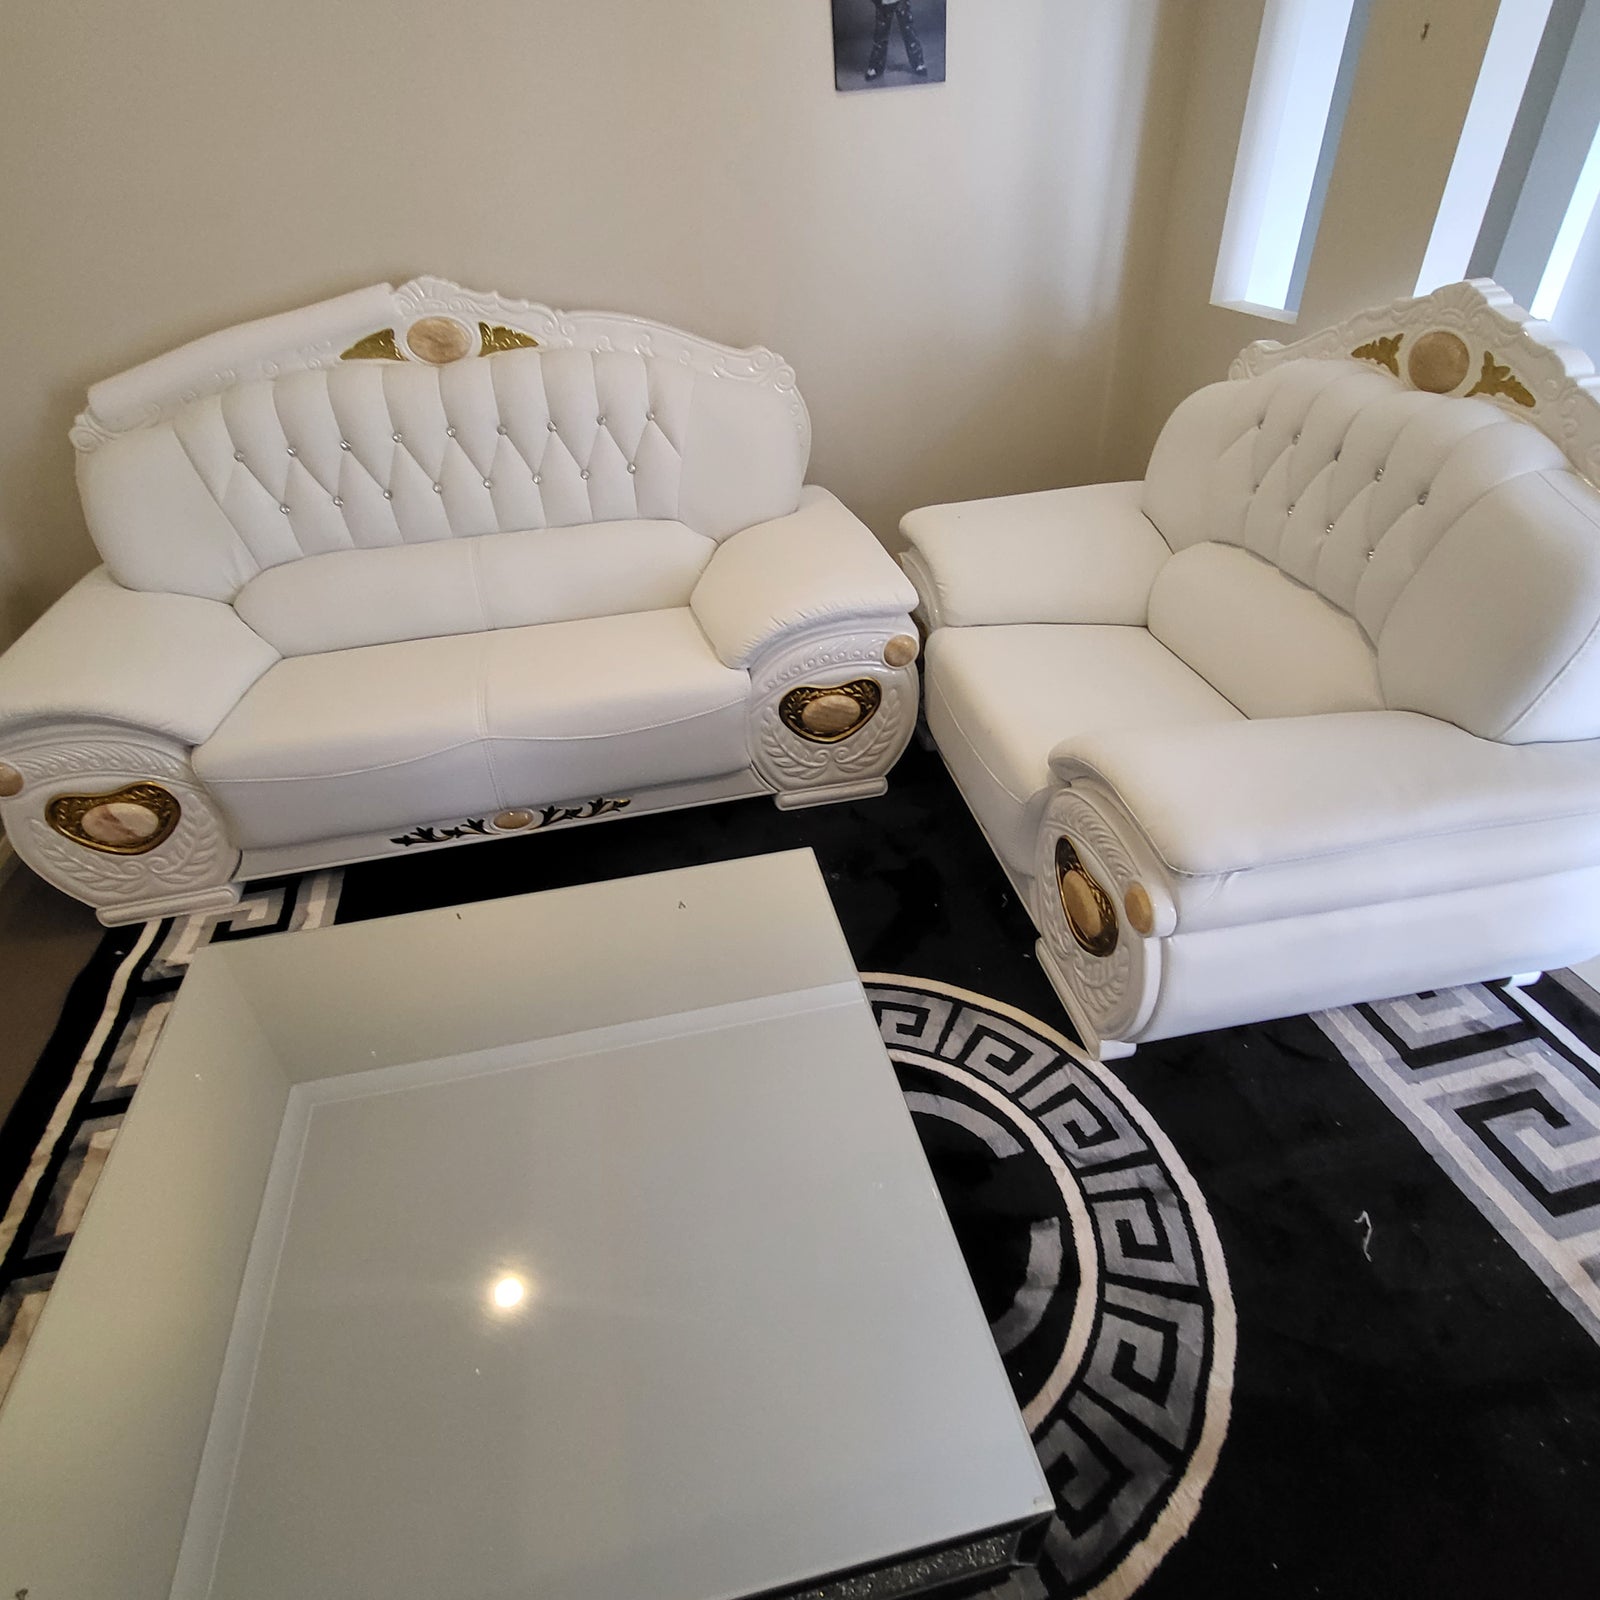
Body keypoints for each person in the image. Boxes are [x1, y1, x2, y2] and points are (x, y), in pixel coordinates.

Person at [866, 0, 927, 83]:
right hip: (883, 3)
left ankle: (918, 62)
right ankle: (876, 66)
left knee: (908, 30)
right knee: (881, 33)